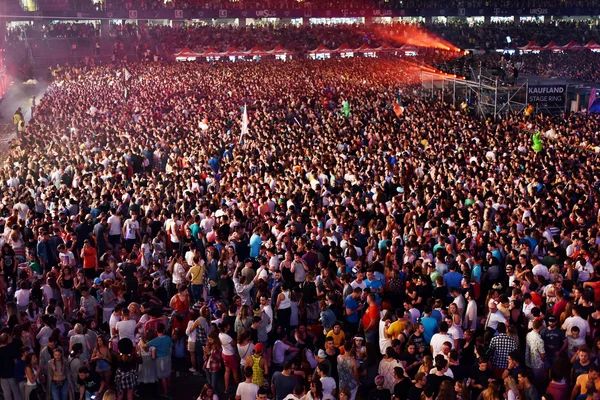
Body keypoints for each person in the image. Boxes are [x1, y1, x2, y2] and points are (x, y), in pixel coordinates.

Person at [144, 323, 172, 395]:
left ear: (156, 330)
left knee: (163, 377)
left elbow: (144, 345)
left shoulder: (155, 340)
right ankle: (169, 387)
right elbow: (170, 349)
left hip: (160, 360)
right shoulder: (168, 338)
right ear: (164, 330)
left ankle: (165, 391)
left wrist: (141, 339)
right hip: (168, 358)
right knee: (168, 374)